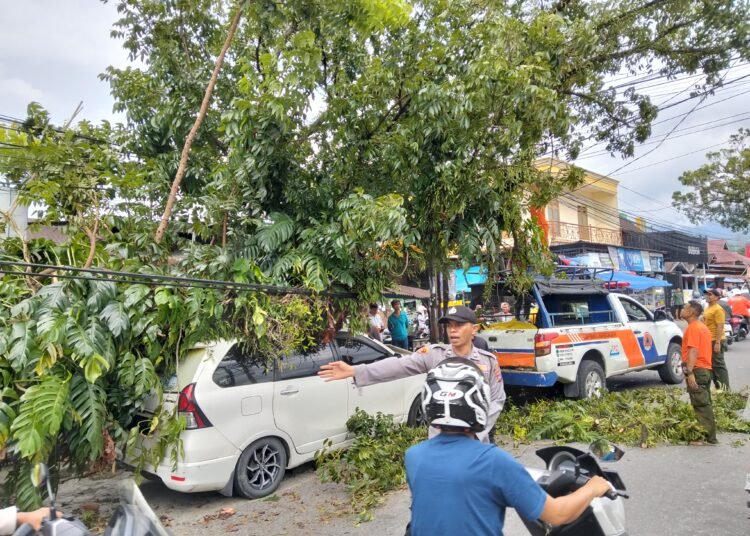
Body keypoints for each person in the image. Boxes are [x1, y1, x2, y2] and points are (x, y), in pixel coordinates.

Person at [405, 359, 611, 536]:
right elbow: (557, 514)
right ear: (479, 400)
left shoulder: (414, 456)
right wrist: (593, 488)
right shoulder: (493, 462)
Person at [319, 305, 505, 443]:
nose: (452, 330)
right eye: (449, 326)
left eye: (459, 325)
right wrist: (356, 370)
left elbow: (497, 399)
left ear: (474, 329)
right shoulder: (435, 355)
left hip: (476, 444)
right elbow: (398, 366)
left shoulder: (488, 361)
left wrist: (477, 431)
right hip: (440, 444)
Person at [680, 301, 718, 445]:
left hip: (697, 369)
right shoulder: (700, 327)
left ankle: (706, 437)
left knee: (701, 404)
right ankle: (707, 435)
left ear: (691, 312)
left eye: (685, 308)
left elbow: (693, 351)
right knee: (703, 402)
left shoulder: (694, 328)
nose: (682, 310)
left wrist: (690, 373)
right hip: (703, 369)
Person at [703, 289, 730, 390]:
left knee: (719, 365)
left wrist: (718, 343)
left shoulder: (718, 309)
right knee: (712, 365)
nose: (707, 296)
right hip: (709, 340)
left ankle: (725, 390)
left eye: (710, 294)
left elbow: (720, 326)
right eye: (707, 294)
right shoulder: (708, 308)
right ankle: (719, 387)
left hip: (716, 339)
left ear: (717, 297)